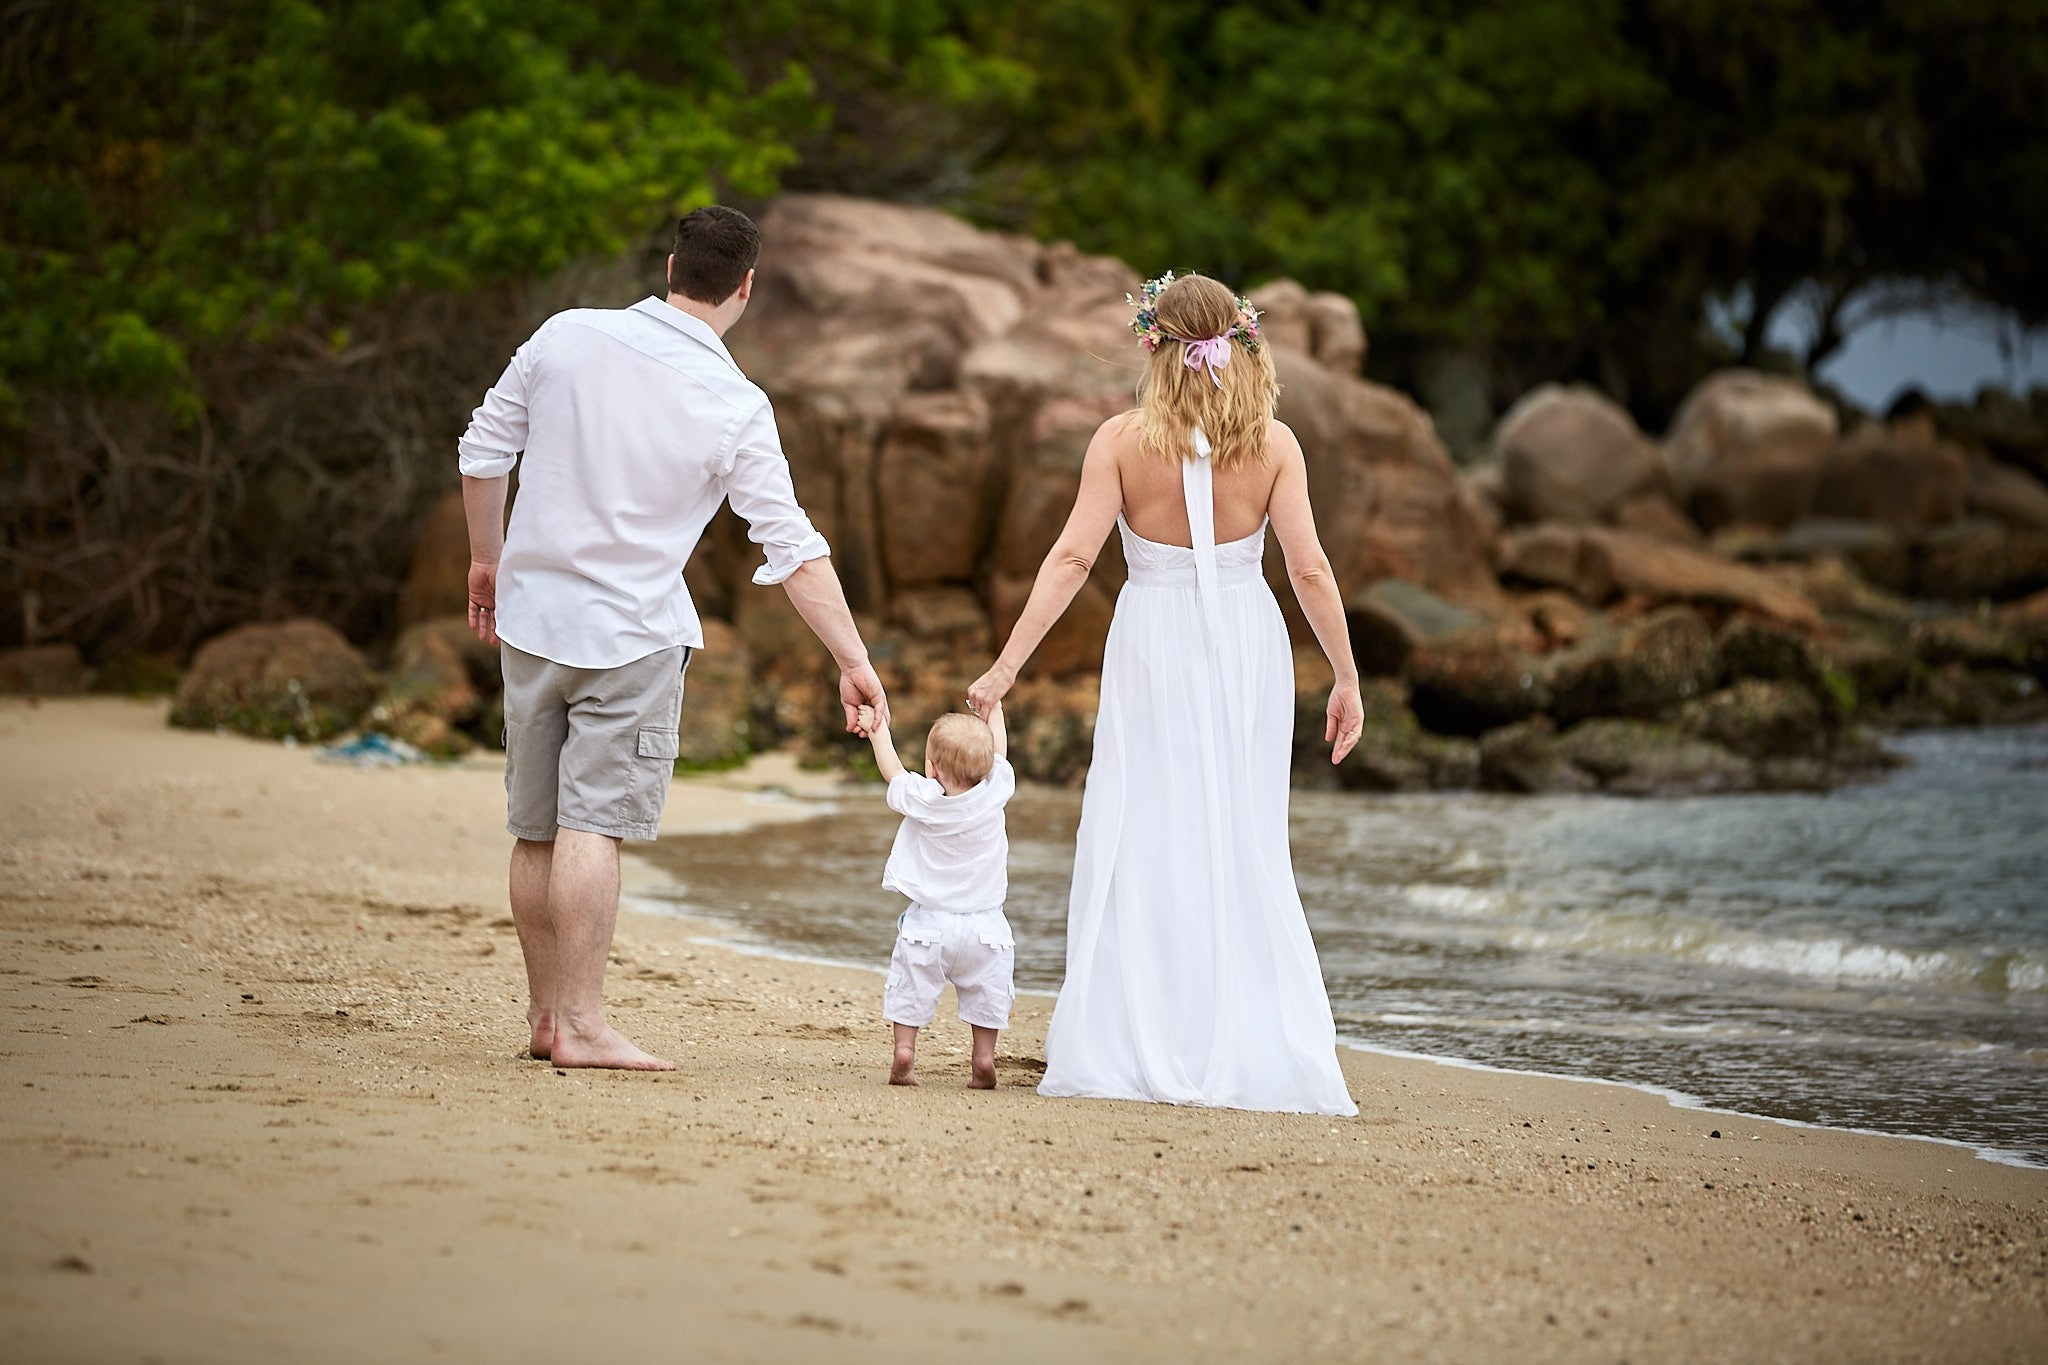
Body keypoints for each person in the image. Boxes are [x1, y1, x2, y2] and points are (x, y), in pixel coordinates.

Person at [457, 206, 888, 1071]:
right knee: (591, 826)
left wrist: (486, 562)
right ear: (746, 286)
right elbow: (791, 547)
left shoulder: (566, 334)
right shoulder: (735, 402)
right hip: (631, 635)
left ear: (669, 266)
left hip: (534, 617)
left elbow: (481, 451)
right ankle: (580, 1023)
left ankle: (547, 1017)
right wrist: (853, 659)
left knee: (537, 829)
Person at [966, 271, 1363, 1116]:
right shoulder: (1275, 442)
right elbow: (1309, 569)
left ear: (1153, 343)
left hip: (1150, 639)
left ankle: (1135, 1033)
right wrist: (1346, 674)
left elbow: (1071, 561)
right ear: (1241, 339)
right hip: (1247, 647)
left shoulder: (1118, 439)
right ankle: (1244, 1033)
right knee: (1240, 830)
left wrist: (1006, 668)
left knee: (1143, 825)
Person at [854, 702, 1016, 1089]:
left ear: (931, 768)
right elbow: (1001, 751)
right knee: (986, 993)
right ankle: (982, 1057)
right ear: (988, 768)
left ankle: (905, 1051)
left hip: (929, 923)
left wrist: (877, 731)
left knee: (911, 986)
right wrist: (994, 710)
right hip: (987, 927)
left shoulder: (924, 799)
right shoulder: (995, 792)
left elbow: (892, 771)